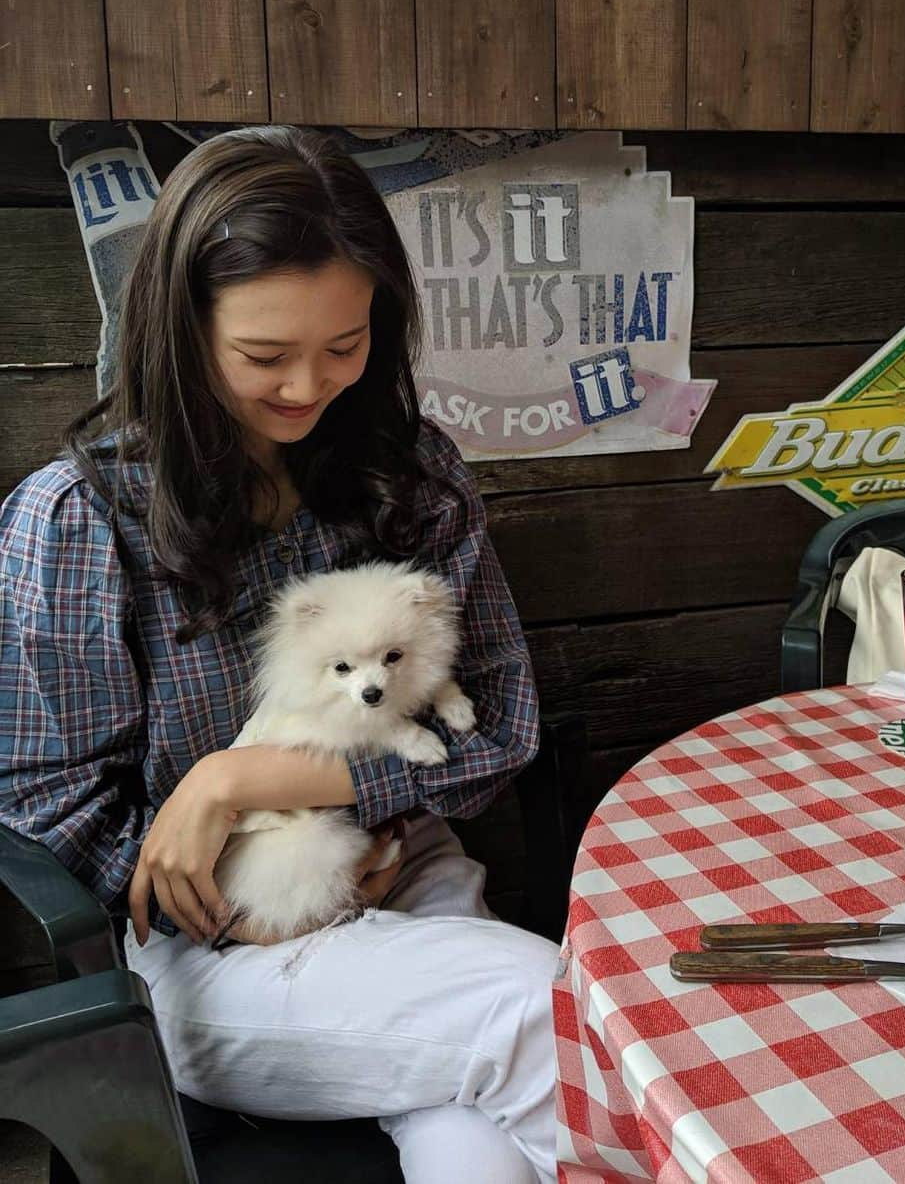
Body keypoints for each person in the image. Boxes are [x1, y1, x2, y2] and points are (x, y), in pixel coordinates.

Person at [0, 125, 559, 1184]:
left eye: (345, 347)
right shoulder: (77, 523)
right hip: (209, 941)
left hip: (402, 862)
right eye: (265, 356)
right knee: (550, 1012)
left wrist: (244, 775)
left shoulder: (414, 475)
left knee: (476, 1122)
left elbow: (503, 724)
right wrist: (229, 896)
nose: (310, 386)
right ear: (179, 327)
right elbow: (46, 817)